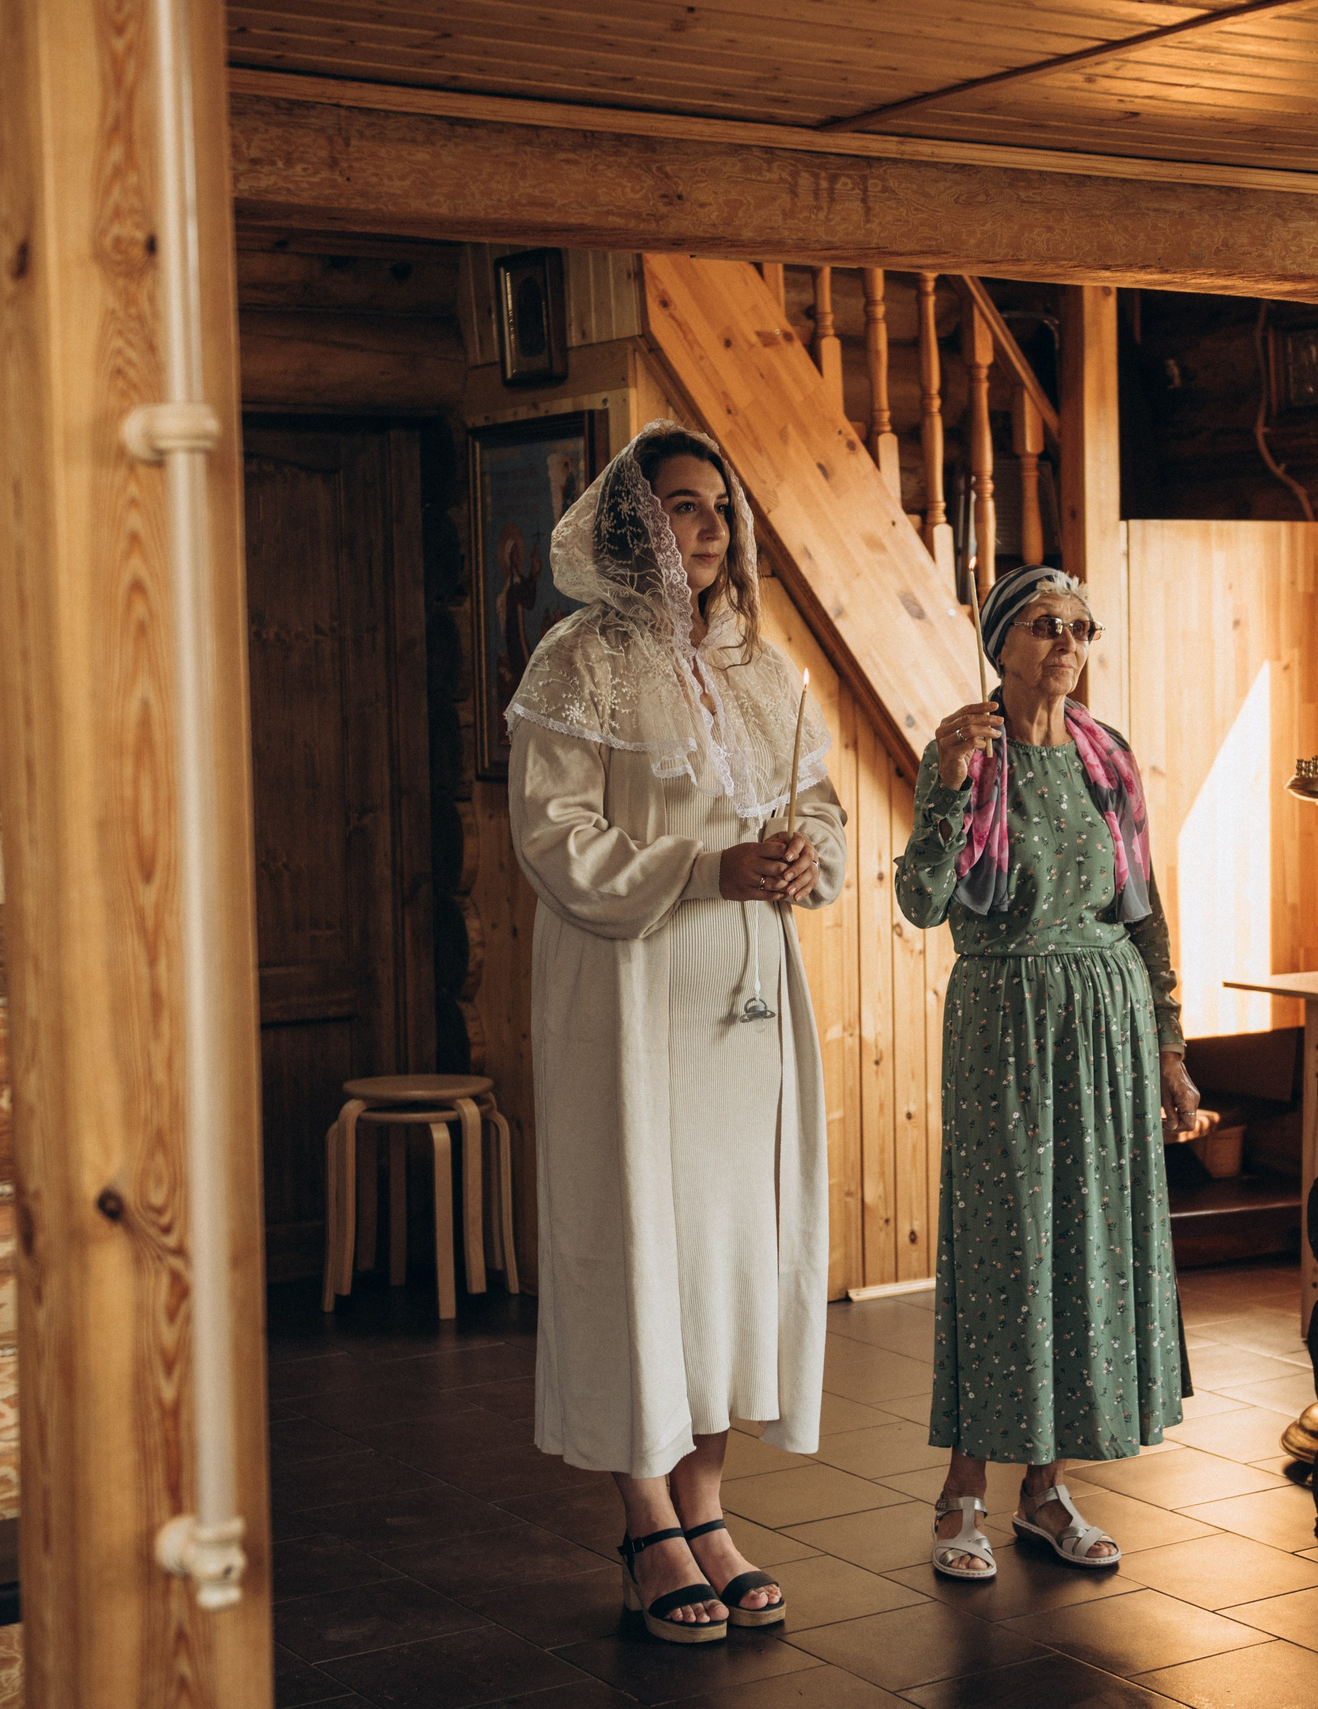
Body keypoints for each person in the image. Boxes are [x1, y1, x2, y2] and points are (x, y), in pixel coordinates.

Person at [507, 421, 847, 1644]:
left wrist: (805, 856)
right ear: (628, 523)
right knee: (637, 1244)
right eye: (679, 506)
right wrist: (708, 868)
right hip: (628, 997)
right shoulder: (575, 661)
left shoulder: (759, 663)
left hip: (743, 1016)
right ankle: (645, 1518)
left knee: (722, 1253)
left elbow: (817, 807)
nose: (705, 528)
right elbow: (555, 839)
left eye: (717, 507)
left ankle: (706, 1506)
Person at [895, 564, 1200, 1580]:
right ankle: (961, 1491)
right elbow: (921, 899)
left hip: (1107, 1018)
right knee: (1007, 1246)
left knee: (1084, 1244)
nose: (1066, 642)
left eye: (1080, 626)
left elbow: (1144, 909)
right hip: (1005, 1019)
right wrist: (945, 787)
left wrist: (1170, 1046)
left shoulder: (1107, 757)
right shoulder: (964, 753)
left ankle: (1046, 1487)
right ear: (1001, 644)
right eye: (1043, 624)